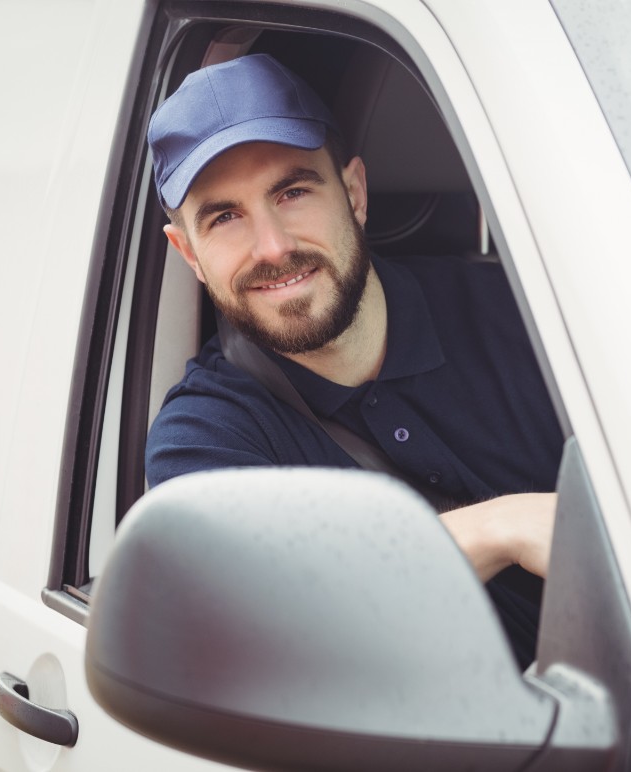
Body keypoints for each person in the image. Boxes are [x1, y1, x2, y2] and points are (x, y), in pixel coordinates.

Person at [144, 53, 564, 667]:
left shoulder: (531, 319)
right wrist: (503, 527)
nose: (273, 247)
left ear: (356, 192)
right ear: (190, 255)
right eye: (225, 217)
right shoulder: (206, 439)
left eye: (292, 192)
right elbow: (261, 628)